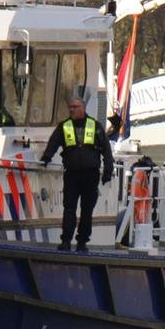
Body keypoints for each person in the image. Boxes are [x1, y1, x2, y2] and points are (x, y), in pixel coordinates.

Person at [38, 96, 115, 251]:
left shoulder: (96, 126)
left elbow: (106, 150)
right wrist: (46, 157)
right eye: (70, 107)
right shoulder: (64, 126)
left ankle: (82, 242)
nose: (72, 109)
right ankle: (66, 241)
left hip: (91, 175)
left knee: (87, 210)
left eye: (75, 107)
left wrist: (108, 170)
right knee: (69, 208)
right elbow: (53, 143)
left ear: (83, 108)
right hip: (72, 175)